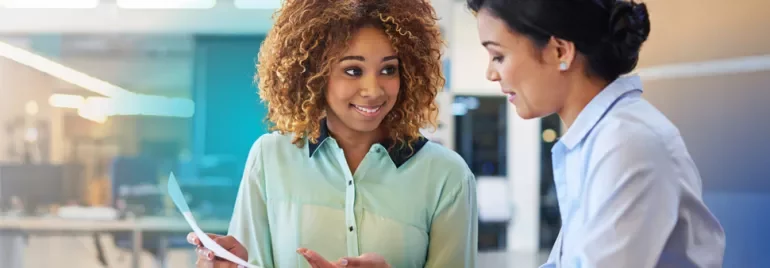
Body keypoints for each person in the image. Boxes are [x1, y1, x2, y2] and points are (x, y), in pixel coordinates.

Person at [188, 0, 478, 267]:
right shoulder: (270, 157)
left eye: (389, 70)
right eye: (353, 70)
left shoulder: (447, 177)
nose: (373, 90)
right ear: (314, 74)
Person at [466, 0, 725, 267]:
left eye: (498, 56)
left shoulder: (629, 142)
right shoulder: (596, 139)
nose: (490, 74)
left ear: (559, 51)